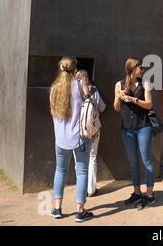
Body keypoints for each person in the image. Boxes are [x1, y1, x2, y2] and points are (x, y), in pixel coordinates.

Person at [49, 55, 94, 222]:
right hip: (80, 137)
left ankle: (56, 208)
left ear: (61, 67)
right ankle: (80, 211)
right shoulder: (79, 84)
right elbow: (90, 101)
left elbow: (53, 112)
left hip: (60, 138)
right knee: (81, 172)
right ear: (75, 68)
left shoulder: (54, 88)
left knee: (60, 170)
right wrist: (83, 80)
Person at [114, 57, 155, 209]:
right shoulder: (119, 84)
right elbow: (117, 108)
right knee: (133, 162)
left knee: (146, 160)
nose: (142, 70)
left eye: (142, 67)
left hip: (144, 126)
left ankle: (149, 195)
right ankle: (137, 192)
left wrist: (133, 99)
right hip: (127, 128)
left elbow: (150, 104)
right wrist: (119, 98)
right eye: (139, 67)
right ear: (131, 69)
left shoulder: (145, 83)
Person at [75, 70, 106, 197]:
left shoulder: (73, 92)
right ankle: (91, 189)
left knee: (79, 160)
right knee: (92, 157)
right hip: (93, 129)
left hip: (77, 130)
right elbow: (102, 108)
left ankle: (80, 188)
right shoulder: (93, 90)